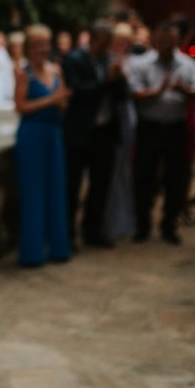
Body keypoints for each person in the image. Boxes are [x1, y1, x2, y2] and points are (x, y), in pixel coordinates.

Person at [130, 22, 195, 245]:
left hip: (175, 128)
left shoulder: (187, 64)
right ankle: (142, 225)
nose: (165, 46)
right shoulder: (141, 63)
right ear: (155, 41)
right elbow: (134, 93)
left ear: (176, 42)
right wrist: (156, 92)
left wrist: (185, 91)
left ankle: (169, 225)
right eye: (162, 41)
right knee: (144, 178)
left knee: (176, 179)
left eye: (170, 42)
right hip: (149, 127)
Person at [62, 19, 129, 248]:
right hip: (80, 133)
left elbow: (122, 96)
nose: (106, 47)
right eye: (103, 42)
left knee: (100, 185)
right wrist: (106, 81)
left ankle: (93, 231)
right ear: (91, 39)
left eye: (109, 42)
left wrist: (119, 79)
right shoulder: (74, 59)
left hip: (106, 132)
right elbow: (78, 92)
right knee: (73, 186)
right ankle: (69, 234)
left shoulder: (112, 61)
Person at [13, 24, 72, 266]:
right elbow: (21, 106)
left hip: (53, 135)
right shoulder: (23, 72)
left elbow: (63, 104)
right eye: (36, 45)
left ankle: (58, 247)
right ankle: (33, 252)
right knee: (32, 191)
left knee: (56, 189)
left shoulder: (56, 69)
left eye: (45, 44)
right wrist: (52, 99)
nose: (41, 50)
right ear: (28, 48)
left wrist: (60, 102)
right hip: (32, 135)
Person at [105, 22, 138, 241]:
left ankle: (125, 218)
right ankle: (112, 221)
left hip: (129, 118)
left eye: (126, 39)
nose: (122, 44)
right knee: (114, 171)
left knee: (126, 170)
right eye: (119, 39)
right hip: (114, 120)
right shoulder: (108, 62)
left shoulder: (135, 62)